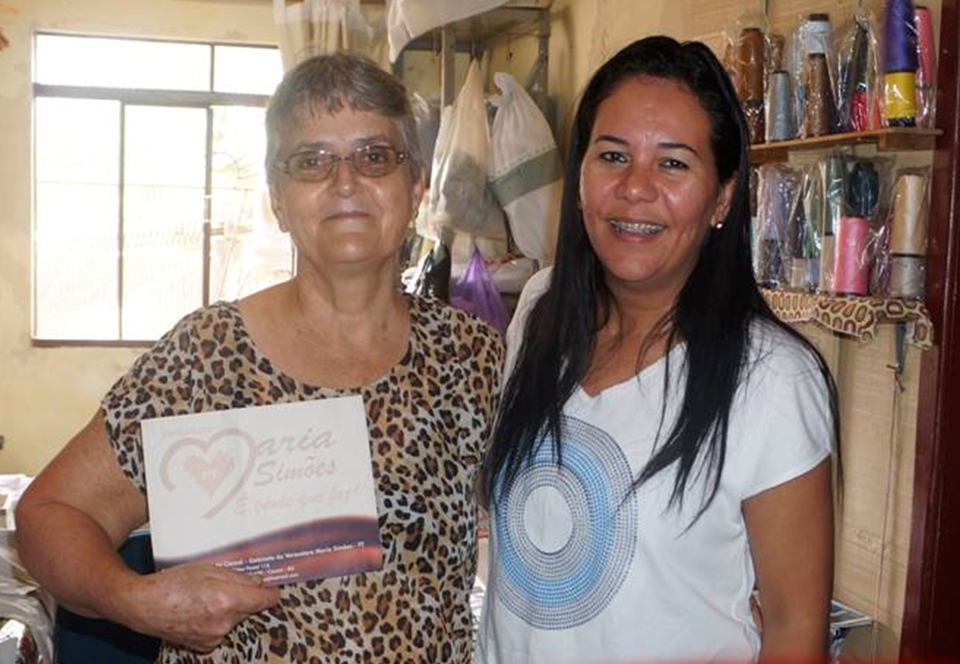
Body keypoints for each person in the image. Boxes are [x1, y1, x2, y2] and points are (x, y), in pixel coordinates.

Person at [17, 52, 504, 664]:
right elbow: (48, 514)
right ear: (278, 199)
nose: (345, 181)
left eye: (374, 157)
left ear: (416, 191)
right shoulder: (205, 356)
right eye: (312, 162)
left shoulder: (472, 357)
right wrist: (136, 600)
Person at [476, 36, 840, 663]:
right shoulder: (539, 313)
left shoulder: (773, 380)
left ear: (723, 196)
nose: (635, 189)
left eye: (673, 164)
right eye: (612, 155)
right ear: (581, 176)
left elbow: (793, 631)